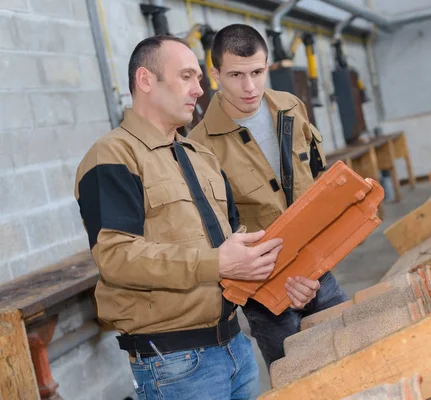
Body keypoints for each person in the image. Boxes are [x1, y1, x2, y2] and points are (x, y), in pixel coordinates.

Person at [74, 35, 318, 400]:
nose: (199, 89)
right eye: (186, 76)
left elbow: (238, 248)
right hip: (175, 362)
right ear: (145, 81)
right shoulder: (113, 156)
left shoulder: (200, 156)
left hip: (236, 348)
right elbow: (116, 258)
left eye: (199, 79)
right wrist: (217, 262)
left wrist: (283, 285)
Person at [188, 24, 349, 369]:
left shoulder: (291, 108)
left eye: (258, 72)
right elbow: (217, 236)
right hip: (267, 295)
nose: (250, 87)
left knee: (356, 357)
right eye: (236, 75)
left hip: (320, 270)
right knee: (299, 378)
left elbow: (318, 184)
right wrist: (281, 283)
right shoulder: (200, 146)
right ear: (215, 74)